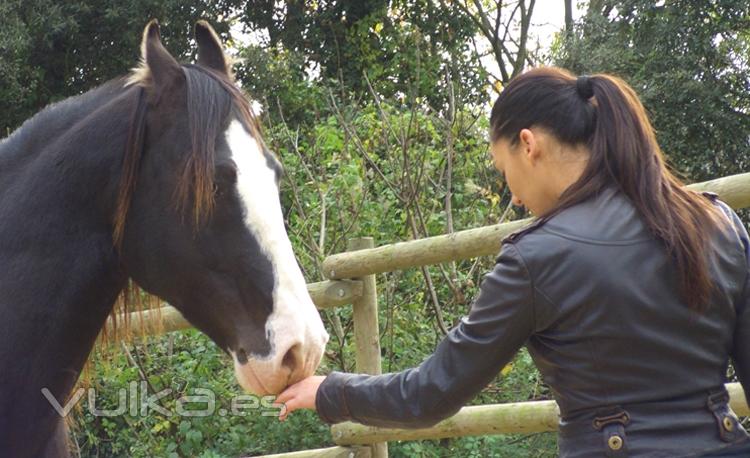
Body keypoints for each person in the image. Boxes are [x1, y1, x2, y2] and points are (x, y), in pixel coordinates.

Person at [274, 67, 750, 457]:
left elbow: (430, 394)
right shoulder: (718, 222)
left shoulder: (537, 256)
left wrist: (329, 391)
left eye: (504, 172)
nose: (515, 198)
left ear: (528, 144)